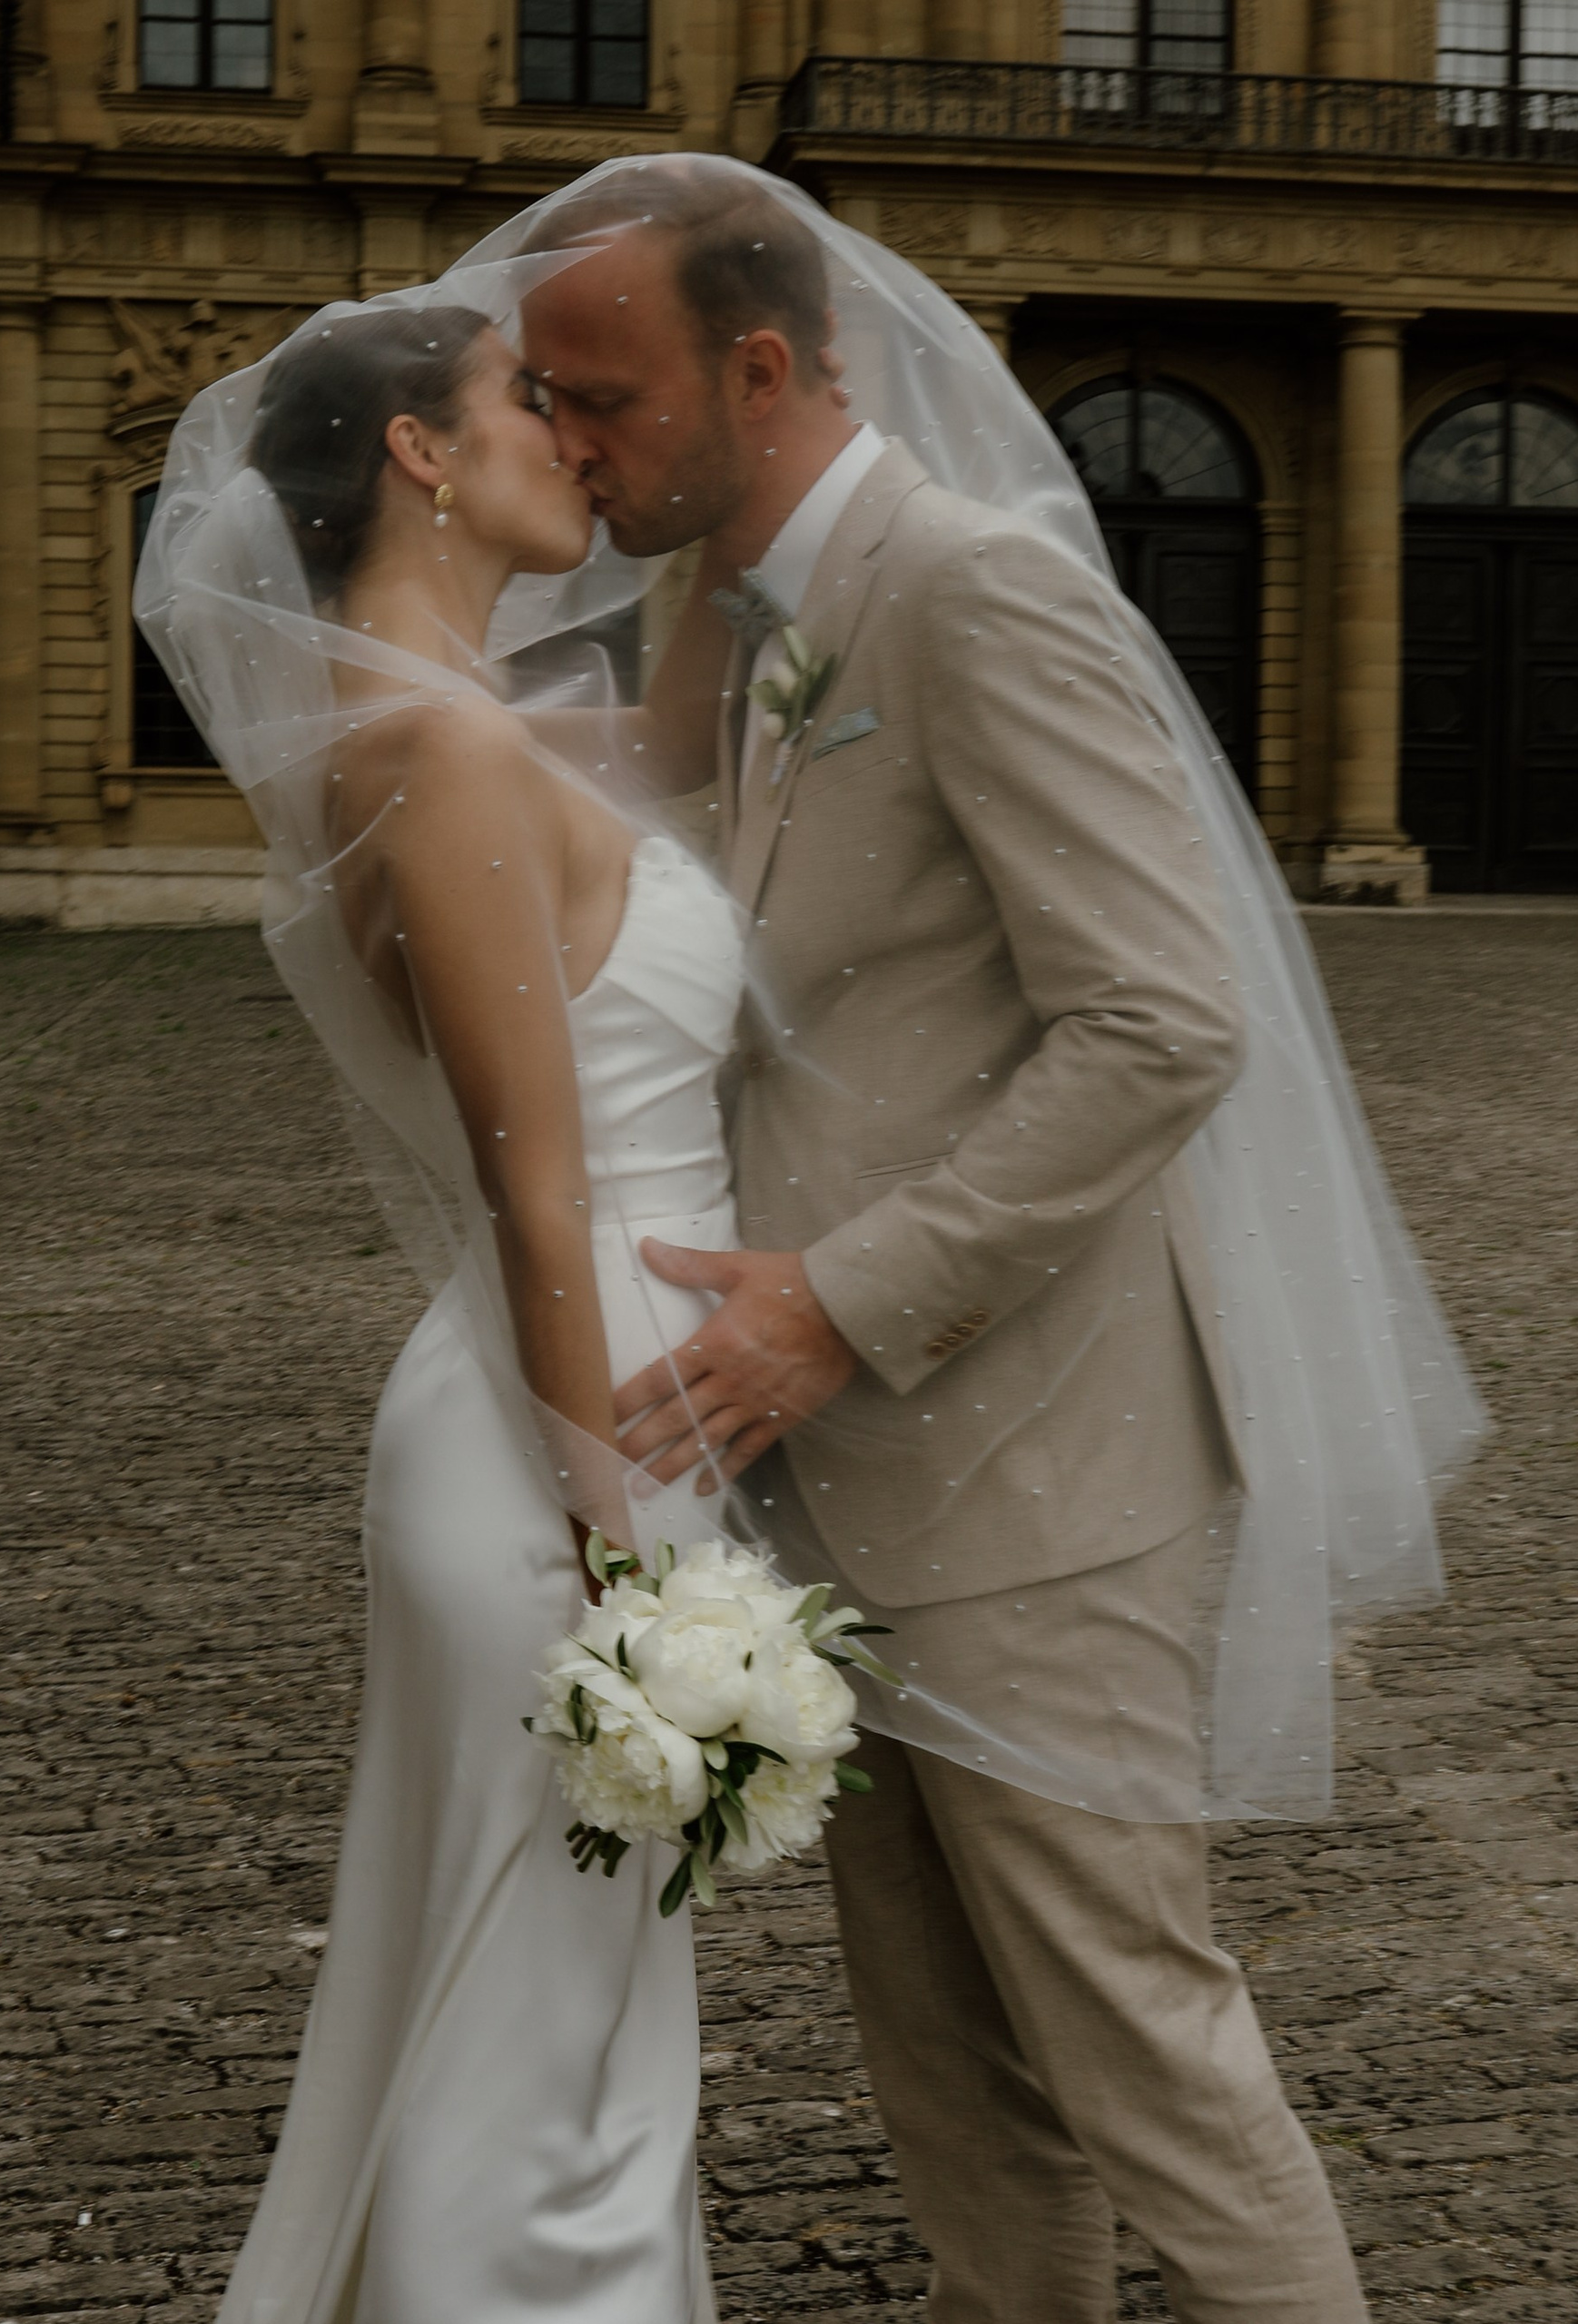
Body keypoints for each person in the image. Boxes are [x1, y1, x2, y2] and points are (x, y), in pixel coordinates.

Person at [513, 163, 1382, 2323]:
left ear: (762, 365)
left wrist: (842, 1297)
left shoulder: (973, 586)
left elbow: (1160, 1015)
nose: (566, 438)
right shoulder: (739, 608)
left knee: (1142, 2055)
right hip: (848, 1485)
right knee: (950, 2077)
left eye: (597, 396)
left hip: (1041, 1473)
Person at [169, 304, 735, 2323]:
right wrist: (619, 1564)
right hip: (557, 1447)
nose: (567, 441)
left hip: (564, 1411)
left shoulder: (447, 712)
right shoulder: (444, 741)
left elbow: (695, 758)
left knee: (554, 2019)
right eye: (525, 402)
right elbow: (533, 1186)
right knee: (540, 2061)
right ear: (417, 451)